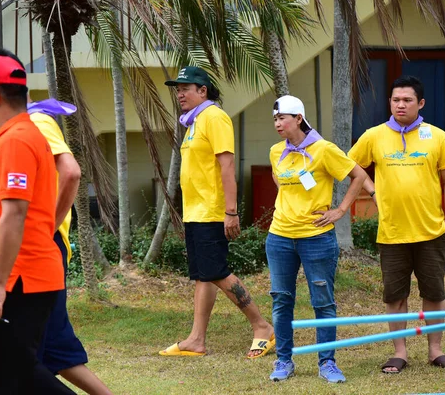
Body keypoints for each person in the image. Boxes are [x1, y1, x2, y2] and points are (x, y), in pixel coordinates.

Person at [0, 49, 75, 393]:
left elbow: (14, 213)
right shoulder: (10, 139)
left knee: (16, 374)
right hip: (19, 276)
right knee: (9, 377)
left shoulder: (15, 141)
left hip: (20, 279)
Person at [159, 66, 274, 359]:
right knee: (202, 276)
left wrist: (231, 212)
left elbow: (227, 165)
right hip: (194, 212)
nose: (180, 93)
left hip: (212, 211)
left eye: (186, 87)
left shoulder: (214, 117)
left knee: (217, 271)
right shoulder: (193, 123)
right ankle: (196, 339)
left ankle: (262, 327)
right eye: (178, 88)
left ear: (203, 91)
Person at [348, 75, 445, 374]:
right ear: (390, 103)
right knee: (395, 295)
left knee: (433, 294)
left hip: (431, 230)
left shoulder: (438, 137)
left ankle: (435, 349)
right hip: (392, 231)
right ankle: (400, 351)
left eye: (407, 100)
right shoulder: (374, 135)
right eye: (396, 99)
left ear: (420, 103)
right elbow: (349, 164)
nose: (400, 104)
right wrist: (371, 189)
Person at [265, 95, 374, 382]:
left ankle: (327, 362)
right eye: (275, 119)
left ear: (298, 119)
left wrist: (339, 210)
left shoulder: (324, 149)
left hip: (317, 238)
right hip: (280, 237)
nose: (277, 123)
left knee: (323, 302)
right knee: (281, 300)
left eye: (282, 118)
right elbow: (279, 181)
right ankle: (283, 361)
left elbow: (359, 175)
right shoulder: (276, 151)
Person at [28, 97, 112, 394]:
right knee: (53, 348)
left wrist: (47, 227)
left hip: (39, 246)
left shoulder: (36, 122)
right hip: (38, 245)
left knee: (23, 356)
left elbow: (71, 172)